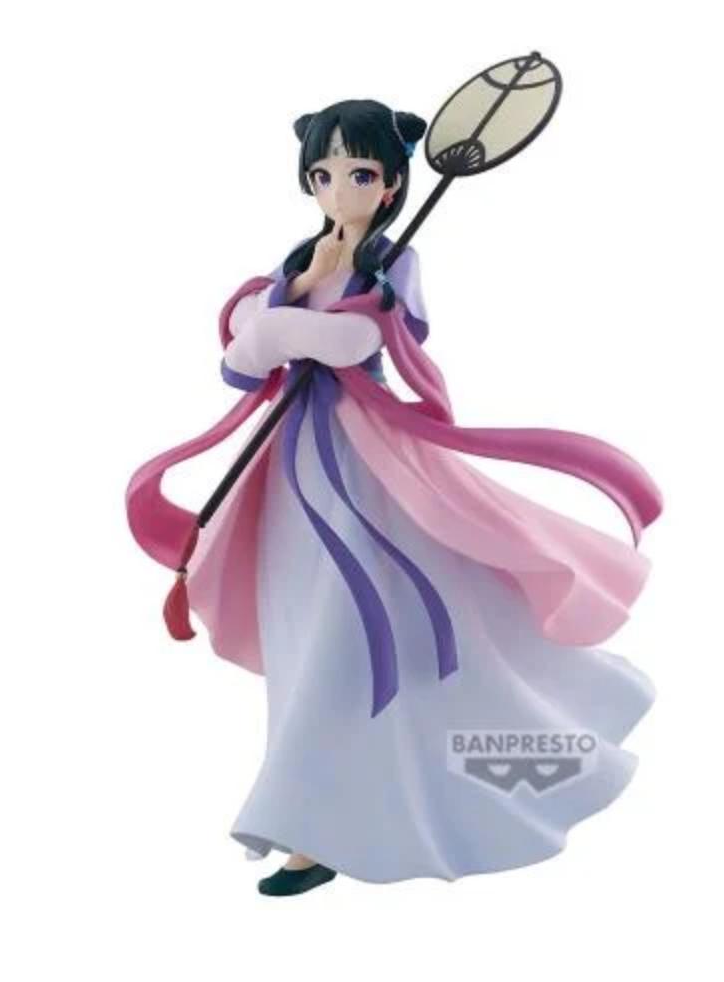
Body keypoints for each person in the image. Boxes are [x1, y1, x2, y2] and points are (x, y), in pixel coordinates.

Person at [126, 99, 663, 897]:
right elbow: (240, 365)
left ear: (390, 183)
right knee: (305, 636)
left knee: (351, 636)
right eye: (323, 174)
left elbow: (352, 342)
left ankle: (314, 824)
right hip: (293, 471)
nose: (339, 190)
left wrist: (278, 323)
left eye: (360, 173)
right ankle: (329, 814)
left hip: (367, 466)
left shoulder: (393, 262)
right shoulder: (300, 260)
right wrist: (297, 296)